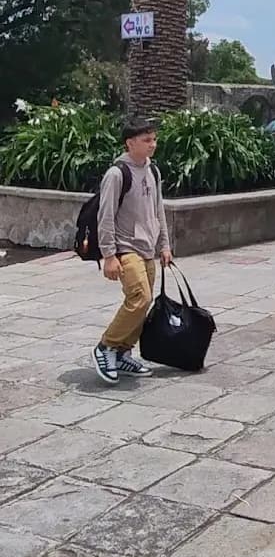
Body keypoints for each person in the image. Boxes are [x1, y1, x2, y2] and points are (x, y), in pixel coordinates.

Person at [93, 117, 172, 385]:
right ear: (130, 143)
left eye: (154, 139)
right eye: (146, 140)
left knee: (144, 301)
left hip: (148, 247)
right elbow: (105, 216)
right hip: (125, 246)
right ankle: (106, 346)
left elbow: (158, 209)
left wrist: (165, 245)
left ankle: (123, 352)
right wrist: (109, 255)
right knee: (140, 296)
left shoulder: (153, 171)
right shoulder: (117, 174)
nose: (153, 145)